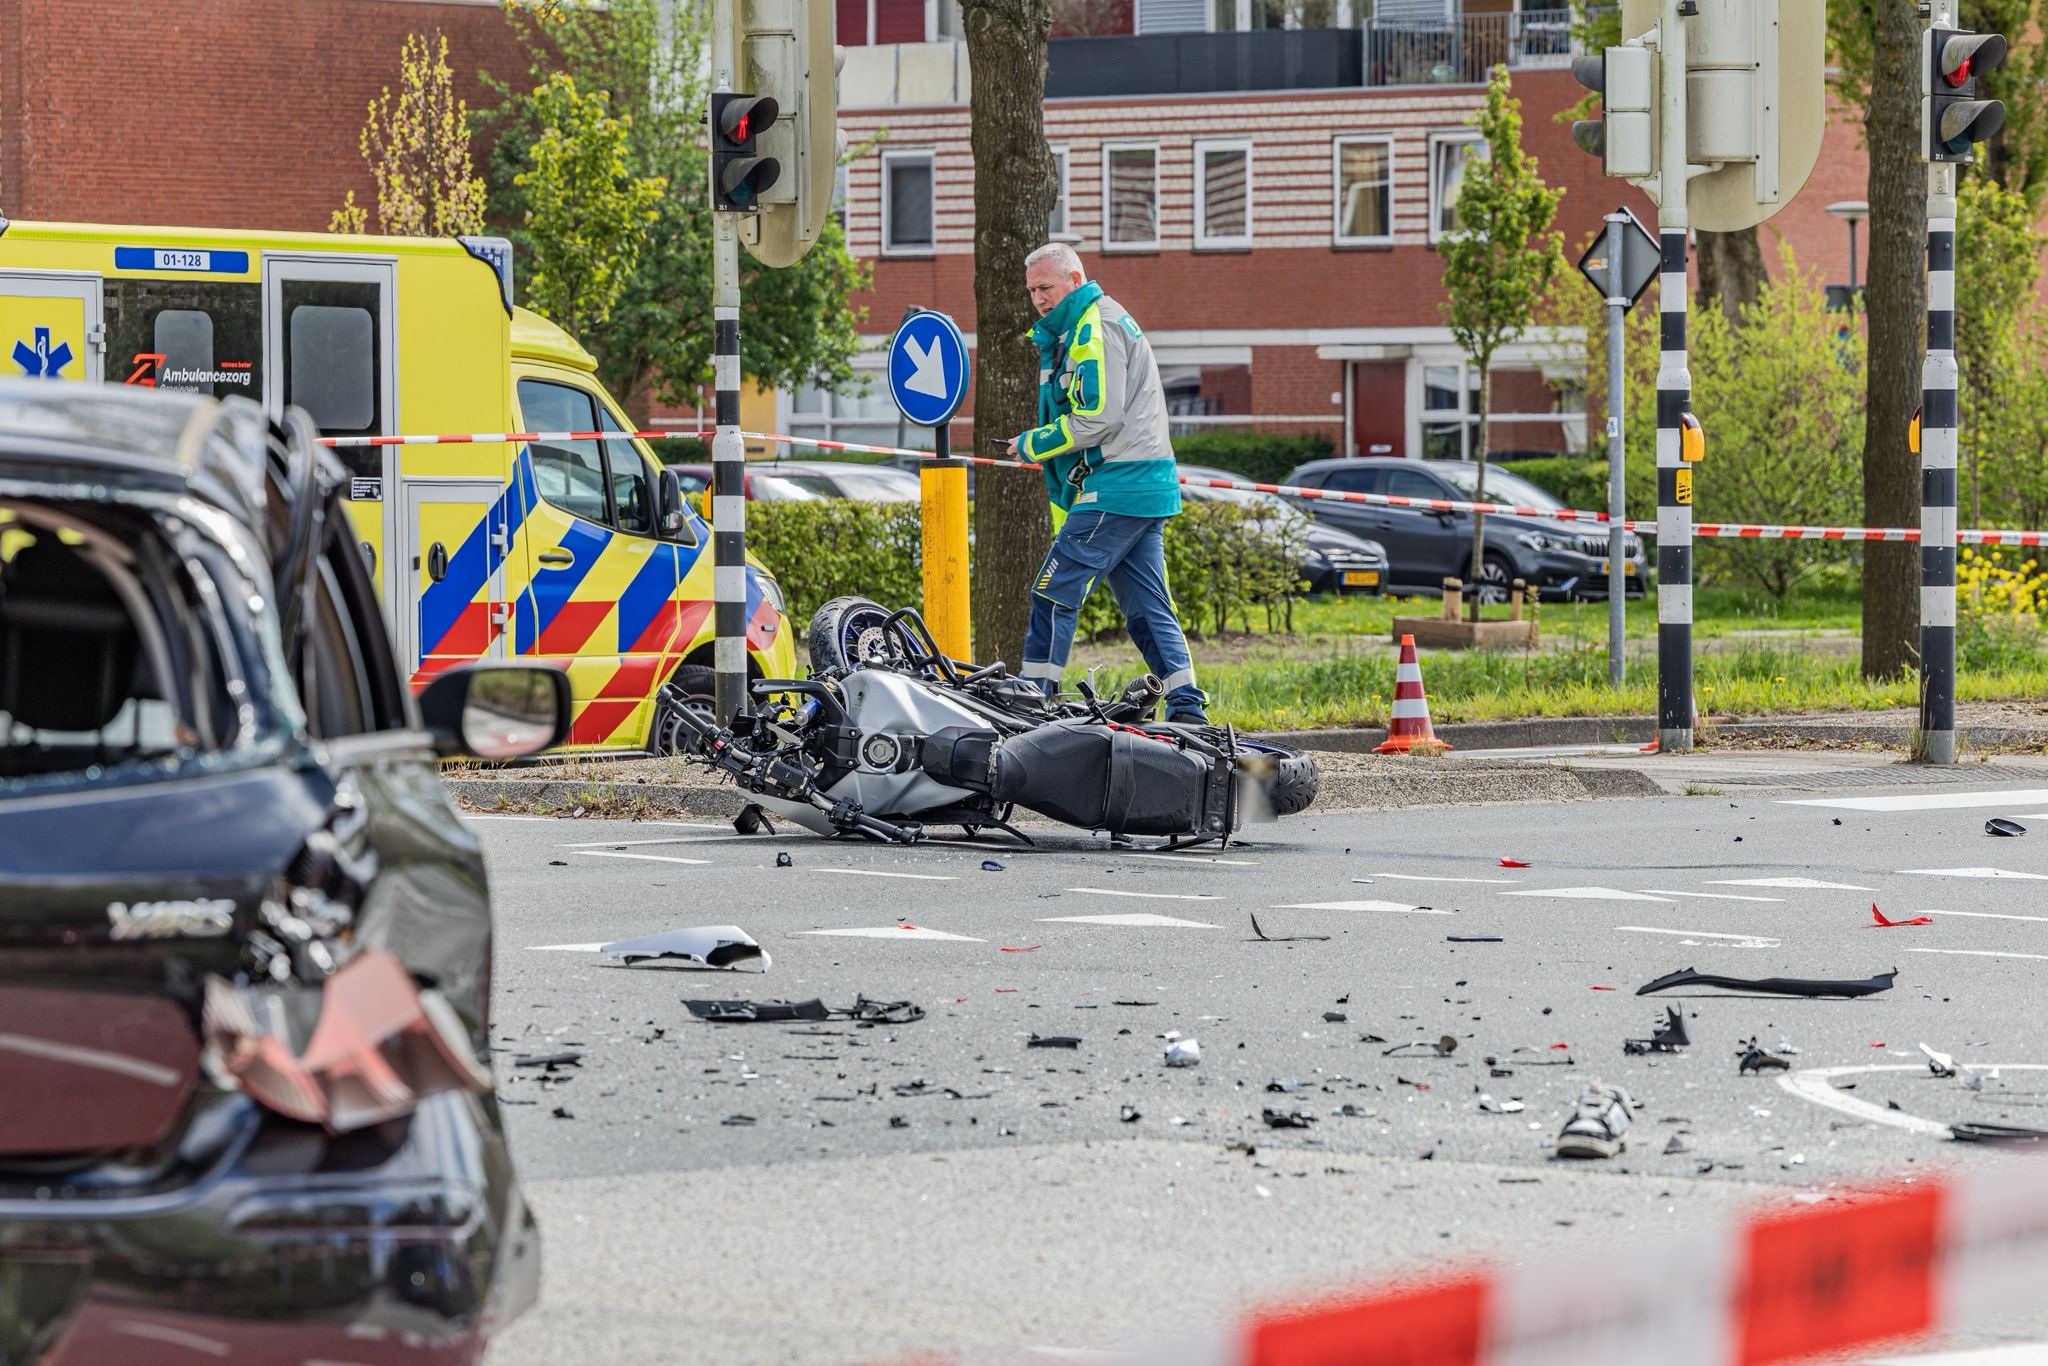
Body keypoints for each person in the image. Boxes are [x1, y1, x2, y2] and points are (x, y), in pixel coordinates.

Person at [1003, 243, 1209, 725]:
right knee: (1146, 607)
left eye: (1046, 287)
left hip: (1117, 484)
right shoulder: (1096, 322)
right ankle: (1187, 706)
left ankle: (1033, 700)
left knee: (1054, 591)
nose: (1038, 298)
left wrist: (1033, 443)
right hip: (1144, 485)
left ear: (1075, 279)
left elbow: (1096, 416)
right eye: (1032, 290)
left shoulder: (1093, 326)